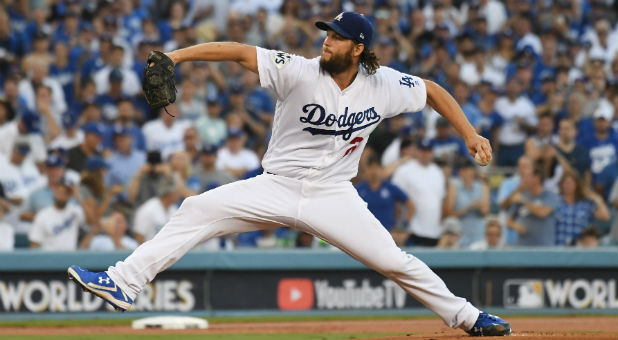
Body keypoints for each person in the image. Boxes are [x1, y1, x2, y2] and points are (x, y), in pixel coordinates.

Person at [68, 12, 509, 336]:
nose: (327, 42)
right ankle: (124, 282)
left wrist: (469, 133)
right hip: (275, 186)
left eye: (337, 38)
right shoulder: (297, 71)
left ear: (358, 48)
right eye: (327, 34)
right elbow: (239, 53)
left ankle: (468, 317)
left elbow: (431, 90)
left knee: (395, 261)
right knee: (196, 207)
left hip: (333, 195)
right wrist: (176, 56)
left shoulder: (384, 84)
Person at [392, 139, 445, 247]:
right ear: (417, 151)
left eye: (428, 151)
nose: (425, 154)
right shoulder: (404, 171)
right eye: (422, 150)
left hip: (434, 231)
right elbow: (395, 200)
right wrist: (400, 226)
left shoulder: (438, 172)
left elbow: (440, 200)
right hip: (412, 230)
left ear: (432, 152)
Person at [28, 176, 87, 251]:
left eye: (66, 193)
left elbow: (93, 221)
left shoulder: (76, 211)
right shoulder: (43, 214)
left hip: (70, 258)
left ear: (70, 195)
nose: (63, 195)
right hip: (50, 258)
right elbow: (34, 243)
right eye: (60, 191)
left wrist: (78, 196)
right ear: (55, 191)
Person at [506, 167, 560, 246]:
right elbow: (508, 221)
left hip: (544, 247)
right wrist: (515, 226)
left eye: (526, 176)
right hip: (523, 247)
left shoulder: (550, 196)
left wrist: (524, 201)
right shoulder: (521, 195)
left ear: (537, 178)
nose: (522, 179)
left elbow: (542, 213)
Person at [555, 171, 610, 246]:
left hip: (579, 249)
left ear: (576, 185)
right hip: (558, 247)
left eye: (571, 183)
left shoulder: (585, 204)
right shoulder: (555, 202)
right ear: (561, 185)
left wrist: (597, 198)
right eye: (566, 183)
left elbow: (605, 216)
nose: (568, 185)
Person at [445, 158, 490, 248]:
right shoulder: (454, 187)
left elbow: (485, 212)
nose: (465, 173)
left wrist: (479, 206)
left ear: (473, 171)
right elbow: (448, 213)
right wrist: (466, 209)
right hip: (460, 236)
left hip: (478, 236)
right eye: (462, 170)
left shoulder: (482, 187)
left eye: (467, 169)